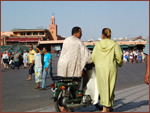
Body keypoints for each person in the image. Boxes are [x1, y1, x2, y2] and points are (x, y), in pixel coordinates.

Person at [57, 27, 93, 112]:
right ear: (76, 33)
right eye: (80, 33)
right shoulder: (78, 42)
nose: (81, 34)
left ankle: (62, 106)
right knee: (74, 85)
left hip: (62, 65)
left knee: (63, 84)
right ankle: (71, 106)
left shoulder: (66, 40)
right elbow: (87, 55)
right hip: (72, 66)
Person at [92, 28, 123, 112]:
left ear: (102, 35)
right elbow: (119, 57)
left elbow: (93, 57)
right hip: (110, 67)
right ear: (110, 35)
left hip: (100, 68)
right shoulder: (114, 44)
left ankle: (106, 107)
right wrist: (120, 63)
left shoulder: (97, 45)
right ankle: (107, 107)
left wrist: (98, 63)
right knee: (110, 86)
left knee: (102, 87)